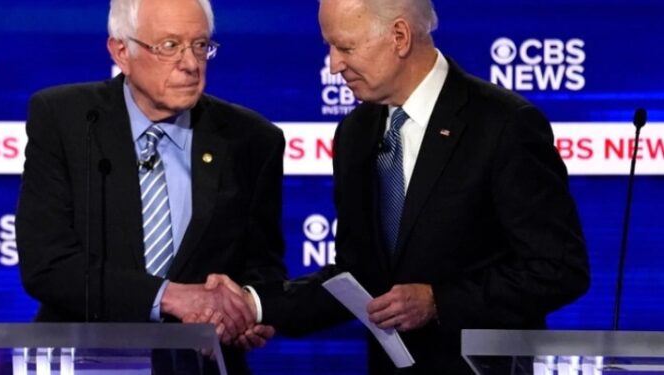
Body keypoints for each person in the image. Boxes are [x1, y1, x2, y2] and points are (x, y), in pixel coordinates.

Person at [207, 0, 590, 373]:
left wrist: (439, 301)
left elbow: (558, 269)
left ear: (400, 36)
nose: (334, 64)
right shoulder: (356, 133)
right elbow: (357, 279)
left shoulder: (503, 126)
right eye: (330, 47)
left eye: (345, 47)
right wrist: (254, 305)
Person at [15, 0, 285, 372]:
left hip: (199, 364)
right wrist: (168, 297)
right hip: (85, 361)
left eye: (201, 45)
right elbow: (47, 265)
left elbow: (264, 267)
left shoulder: (251, 139)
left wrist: (246, 310)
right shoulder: (66, 120)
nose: (191, 64)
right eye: (170, 46)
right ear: (121, 51)